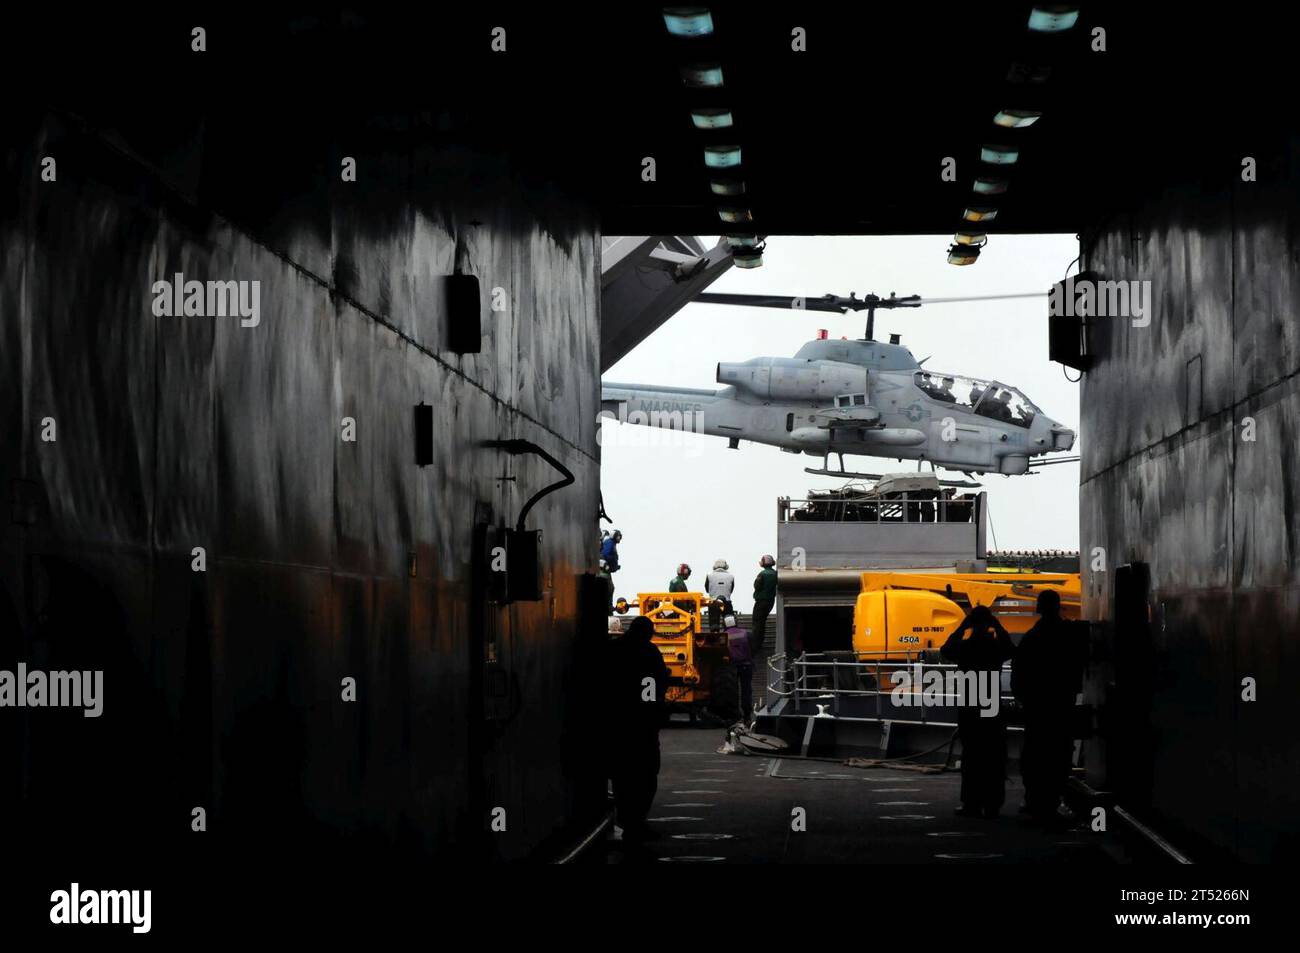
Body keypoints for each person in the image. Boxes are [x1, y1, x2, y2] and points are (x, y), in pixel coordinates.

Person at [1012, 589, 1086, 825]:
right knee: (1060, 753)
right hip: (1062, 703)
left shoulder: (1032, 637)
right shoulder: (1069, 635)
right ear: (1058, 606)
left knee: (1035, 753)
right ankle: (1053, 800)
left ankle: (1035, 800)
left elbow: (1019, 671)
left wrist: (1023, 698)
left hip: (1037, 706)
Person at [941, 605, 1015, 818]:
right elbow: (1011, 649)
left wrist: (962, 626)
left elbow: (946, 649)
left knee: (971, 756)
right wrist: (998, 626)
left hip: (970, 706)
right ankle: (993, 804)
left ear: (970, 624)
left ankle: (971, 803)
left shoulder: (965, 648)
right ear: (990, 623)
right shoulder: (994, 648)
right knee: (994, 755)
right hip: (991, 707)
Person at [602, 615, 670, 842]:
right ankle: (636, 821)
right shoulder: (649, 653)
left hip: (617, 722)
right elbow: (652, 685)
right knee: (646, 774)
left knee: (621, 774)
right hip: (642, 725)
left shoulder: (613, 649)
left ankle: (624, 817)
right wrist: (652, 710)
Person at [726, 617, 754, 725]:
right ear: (736, 622)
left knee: (732, 692)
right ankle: (747, 715)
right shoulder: (745, 633)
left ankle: (734, 716)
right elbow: (752, 647)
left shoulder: (725, 635)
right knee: (746, 690)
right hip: (746, 665)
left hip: (731, 666)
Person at [751, 555, 778, 656]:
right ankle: (760, 642)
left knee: (757, 622)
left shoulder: (762, 574)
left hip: (761, 601)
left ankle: (756, 645)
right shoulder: (775, 573)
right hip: (770, 601)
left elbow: (757, 586)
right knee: (762, 621)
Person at [704, 560, 735, 631]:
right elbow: (731, 590)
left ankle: (715, 637)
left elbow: (707, 589)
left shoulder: (709, 576)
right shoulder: (731, 576)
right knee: (729, 624)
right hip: (727, 601)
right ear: (725, 567)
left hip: (713, 602)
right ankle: (730, 637)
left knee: (714, 625)